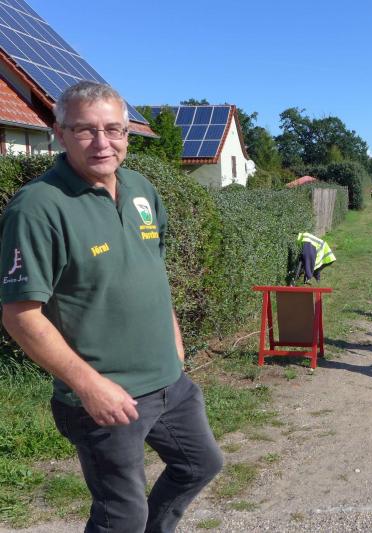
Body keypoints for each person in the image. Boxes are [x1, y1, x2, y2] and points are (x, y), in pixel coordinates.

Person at [0, 81, 223, 531]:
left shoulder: (141, 189)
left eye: (113, 129)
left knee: (200, 464)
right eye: (85, 130)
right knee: (121, 517)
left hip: (169, 382)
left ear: (127, 134)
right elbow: (20, 316)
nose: (102, 143)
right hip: (106, 395)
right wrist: (89, 386)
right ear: (60, 134)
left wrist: (174, 339)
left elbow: (151, 270)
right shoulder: (38, 208)